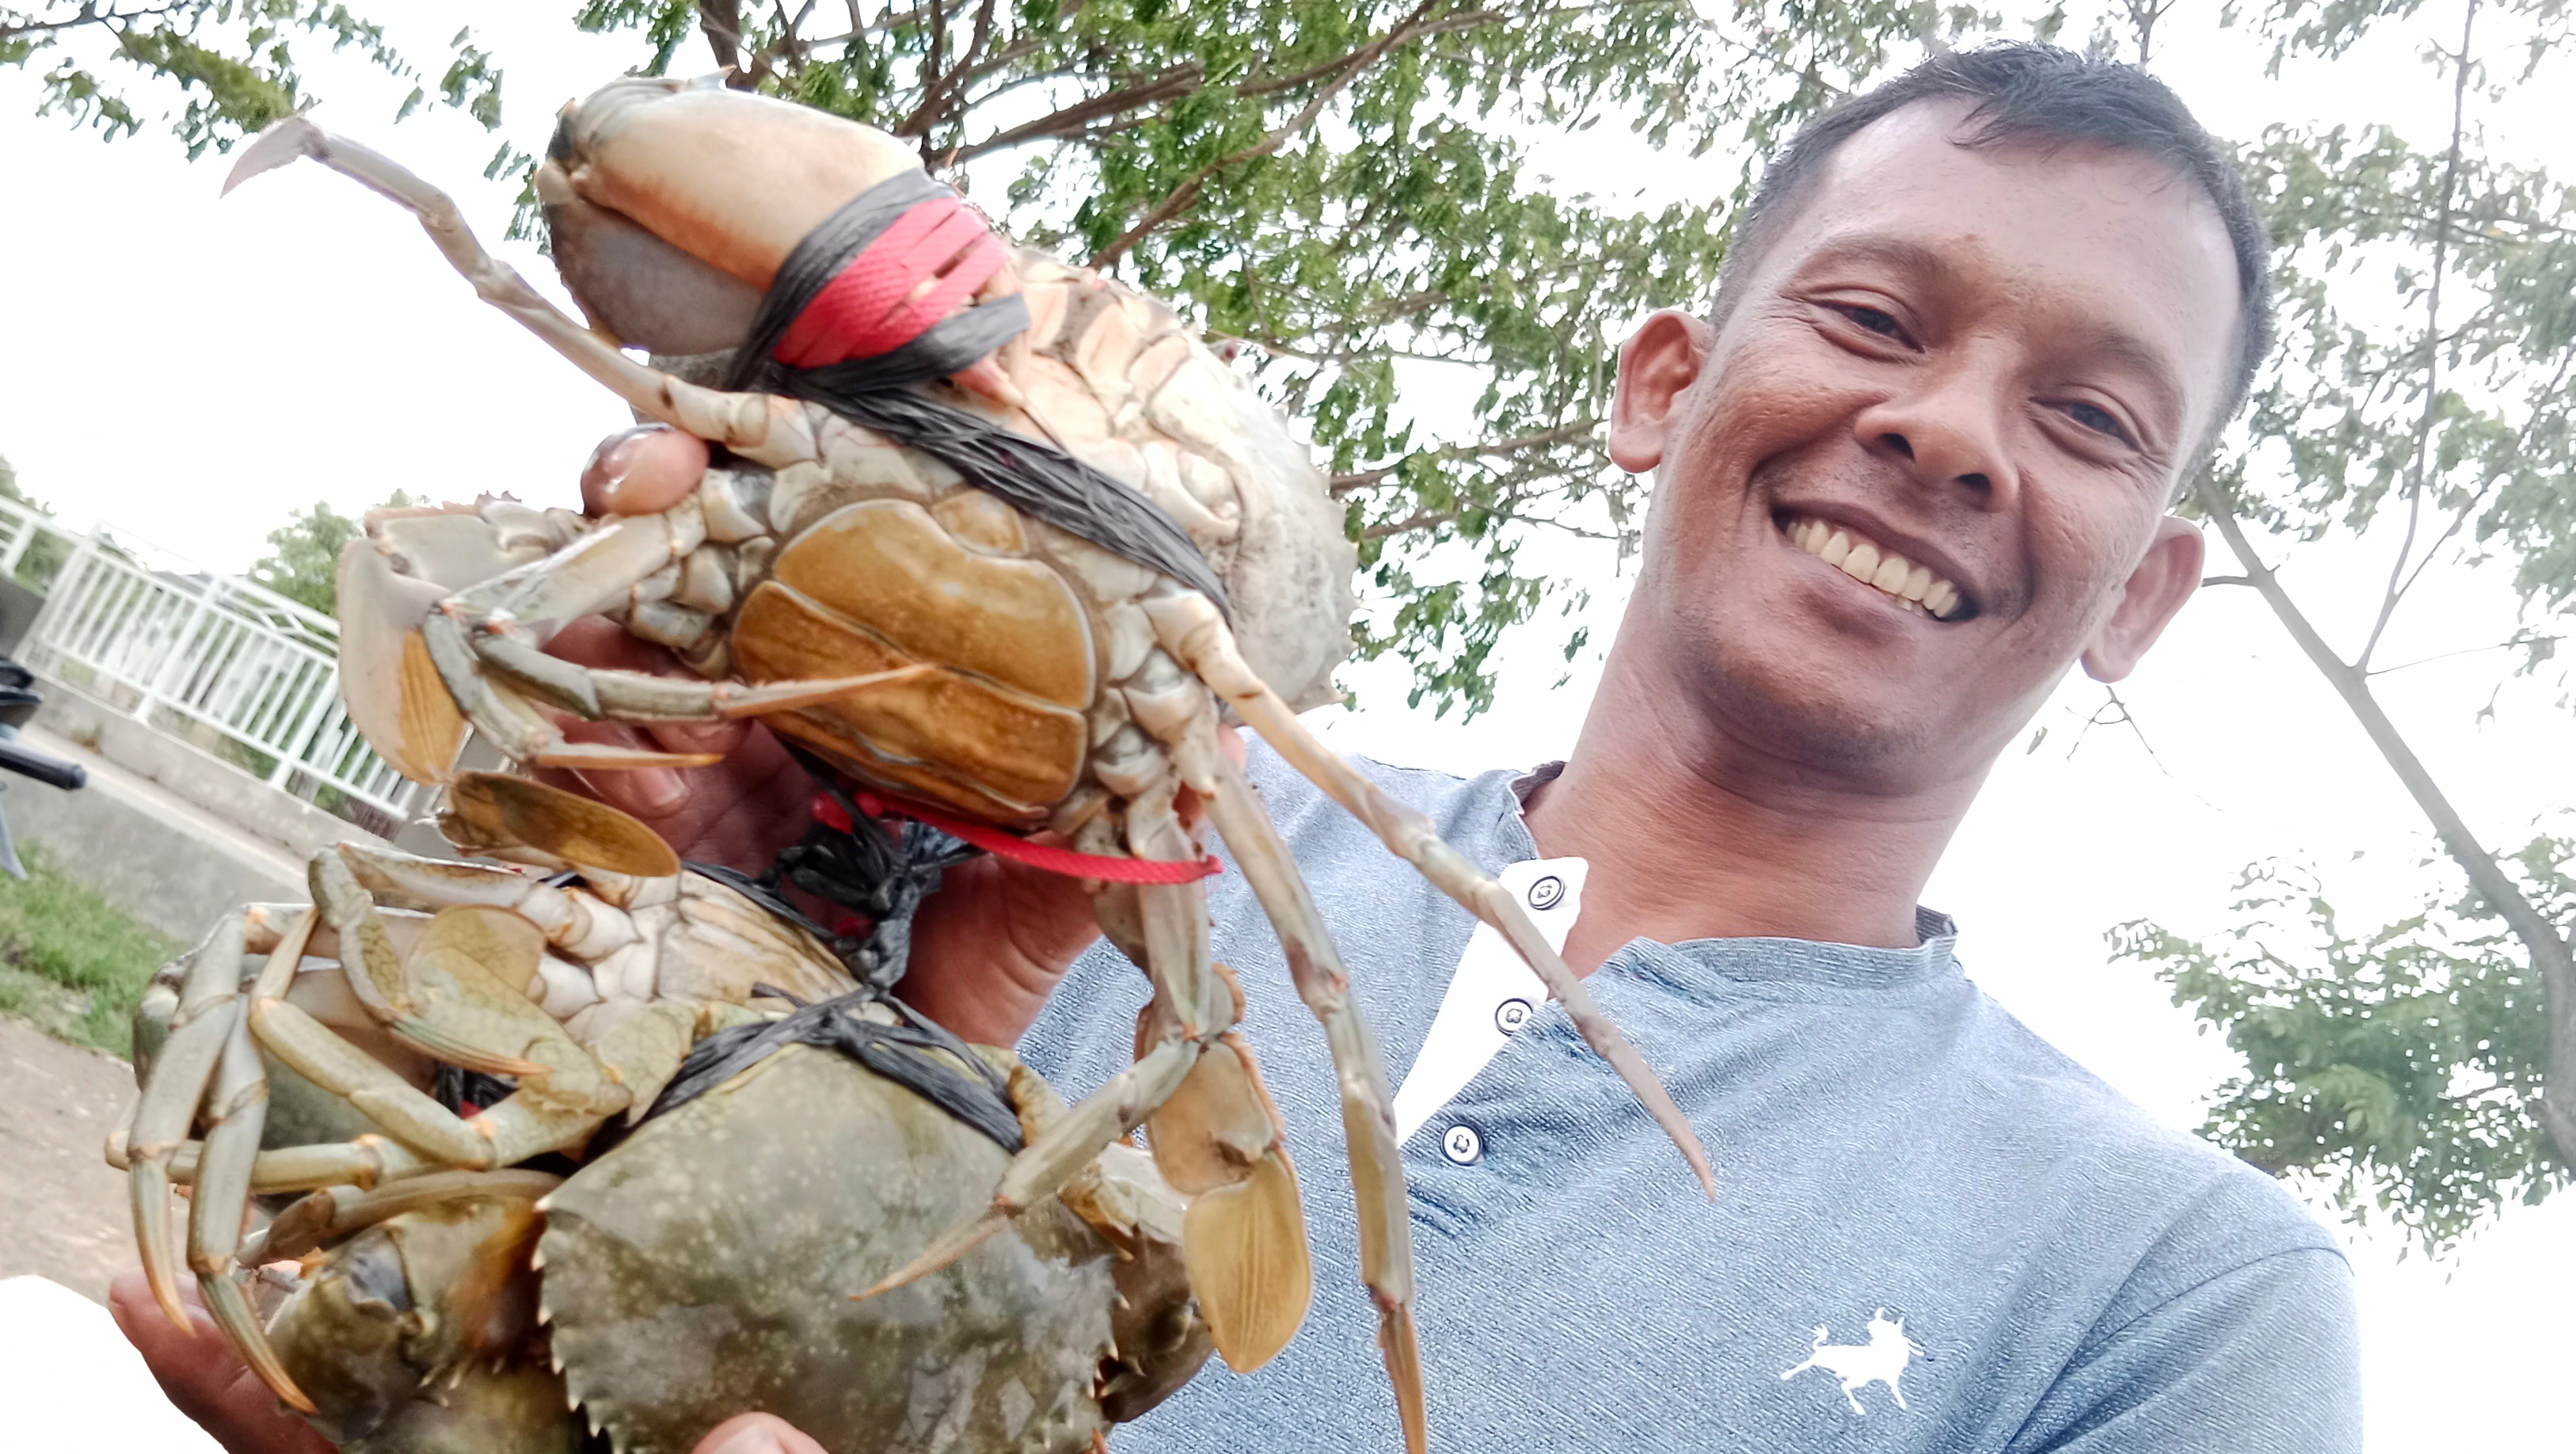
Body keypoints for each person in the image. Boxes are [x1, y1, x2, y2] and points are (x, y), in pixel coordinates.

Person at [116, 41, 2361, 1453]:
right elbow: (511, 1110)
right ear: (1663, 384)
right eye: (1875, 316)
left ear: (2148, 589)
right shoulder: (1072, 827)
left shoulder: (2173, 1302)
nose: (1945, 432)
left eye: (2088, 418)